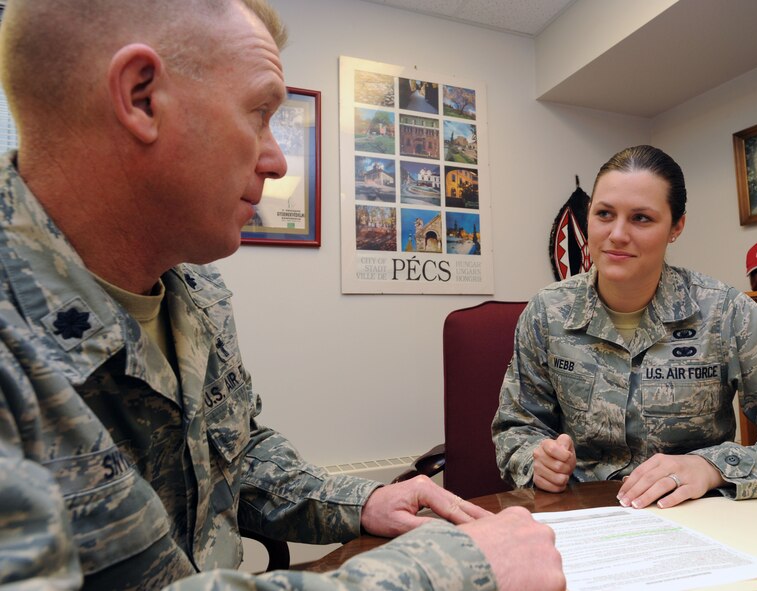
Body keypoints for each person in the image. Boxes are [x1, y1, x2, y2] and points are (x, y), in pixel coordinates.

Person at [0, 1, 564, 590]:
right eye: (260, 113)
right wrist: (454, 571)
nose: (275, 159)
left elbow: (235, 460)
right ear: (142, 98)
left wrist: (364, 500)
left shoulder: (196, 293)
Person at [492, 145, 757, 511]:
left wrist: (714, 467)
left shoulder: (725, 313)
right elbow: (516, 429)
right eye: (604, 214)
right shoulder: (546, 312)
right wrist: (534, 459)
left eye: (641, 218)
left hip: (695, 520)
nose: (617, 234)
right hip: (582, 520)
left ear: (676, 227)